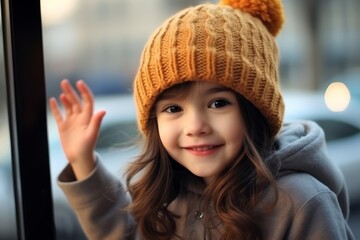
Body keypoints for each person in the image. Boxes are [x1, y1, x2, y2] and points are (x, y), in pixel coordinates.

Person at [49, 0, 355, 239]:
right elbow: (127, 233)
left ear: (254, 110)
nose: (195, 126)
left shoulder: (301, 203)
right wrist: (82, 160)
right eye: (173, 109)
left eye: (218, 103)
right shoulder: (171, 198)